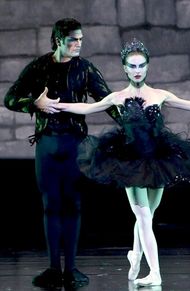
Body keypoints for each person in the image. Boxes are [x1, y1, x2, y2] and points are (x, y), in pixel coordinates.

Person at [49, 38, 190, 287]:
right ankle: (155, 272)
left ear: (147, 66)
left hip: (158, 159)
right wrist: (56, 106)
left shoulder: (159, 95)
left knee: (148, 215)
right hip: (130, 161)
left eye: (141, 65)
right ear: (125, 68)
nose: (137, 70)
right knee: (144, 217)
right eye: (132, 66)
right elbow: (86, 108)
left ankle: (135, 255)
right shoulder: (118, 97)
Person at [4, 18, 121, 289]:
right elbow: (10, 98)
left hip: (74, 145)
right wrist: (34, 103)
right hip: (47, 144)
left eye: (81, 39)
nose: (78, 44)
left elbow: (107, 101)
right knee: (50, 206)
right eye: (73, 39)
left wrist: (129, 125)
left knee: (73, 205)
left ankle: (71, 268)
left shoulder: (86, 69)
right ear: (59, 39)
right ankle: (53, 268)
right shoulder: (38, 67)